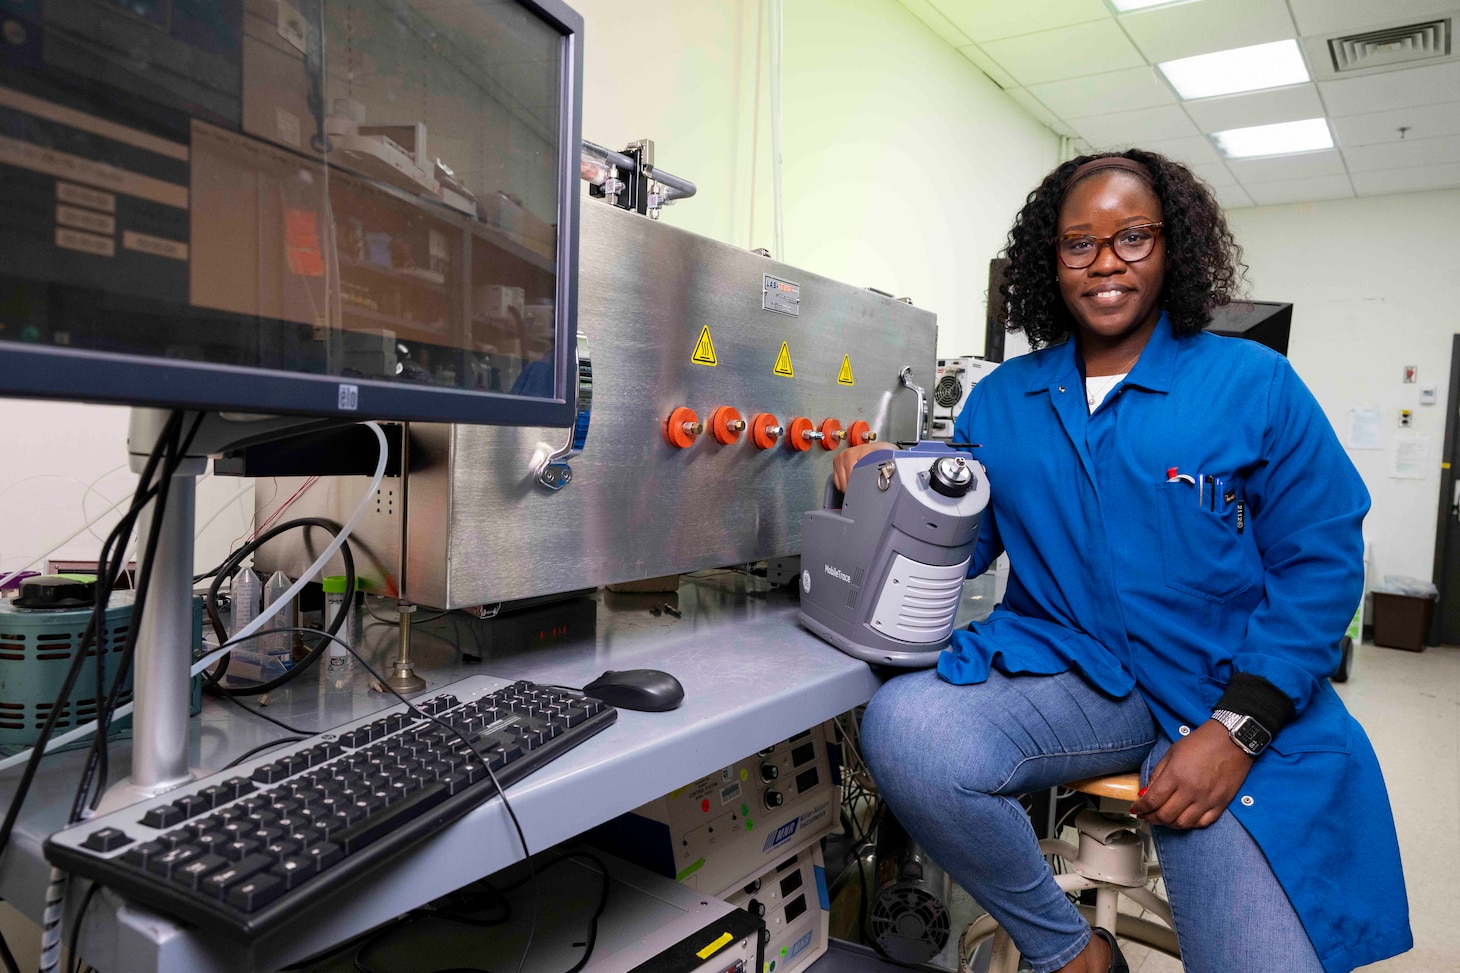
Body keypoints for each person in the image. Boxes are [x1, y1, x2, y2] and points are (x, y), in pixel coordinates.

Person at [836, 150, 1411, 973]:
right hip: (1079, 678)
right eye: (1080, 243)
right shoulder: (1006, 399)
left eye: (1132, 236)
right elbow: (964, 544)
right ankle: (1071, 950)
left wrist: (1238, 728)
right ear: (1052, 260)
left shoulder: (1256, 384)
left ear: (1173, 246)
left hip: (1224, 689)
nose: (1106, 261)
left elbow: (1320, 564)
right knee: (909, 731)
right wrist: (891, 486)